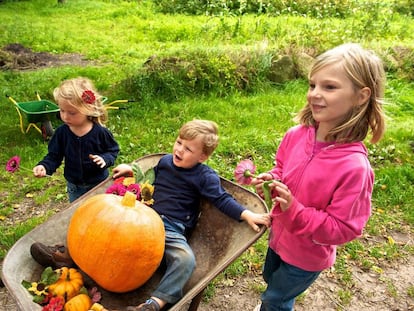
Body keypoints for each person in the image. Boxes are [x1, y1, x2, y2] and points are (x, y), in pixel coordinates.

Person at [250, 43, 386, 311]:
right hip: (279, 238)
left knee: (276, 298)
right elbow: (282, 168)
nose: (314, 94)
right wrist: (271, 179)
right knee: (270, 278)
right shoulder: (296, 135)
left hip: (306, 257)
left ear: (361, 96)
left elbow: (344, 228)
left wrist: (295, 211)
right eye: (312, 85)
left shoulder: (354, 167)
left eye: (329, 87)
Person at [110, 119, 271, 311]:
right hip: (143, 220)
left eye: (188, 149)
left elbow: (221, 198)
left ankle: (154, 304)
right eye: (179, 142)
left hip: (170, 230)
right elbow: (150, 175)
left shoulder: (205, 177)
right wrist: (132, 169)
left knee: (186, 260)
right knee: (111, 232)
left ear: (202, 156)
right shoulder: (165, 162)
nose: (179, 150)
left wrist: (245, 214)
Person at [32, 77, 120, 202]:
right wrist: (45, 166)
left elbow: (113, 150)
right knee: (77, 212)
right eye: (62, 110)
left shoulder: (100, 132)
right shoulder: (62, 133)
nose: (65, 116)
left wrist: (105, 159)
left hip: (99, 184)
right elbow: (54, 156)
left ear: (88, 110)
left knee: (99, 212)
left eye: (72, 113)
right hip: (75, 187)